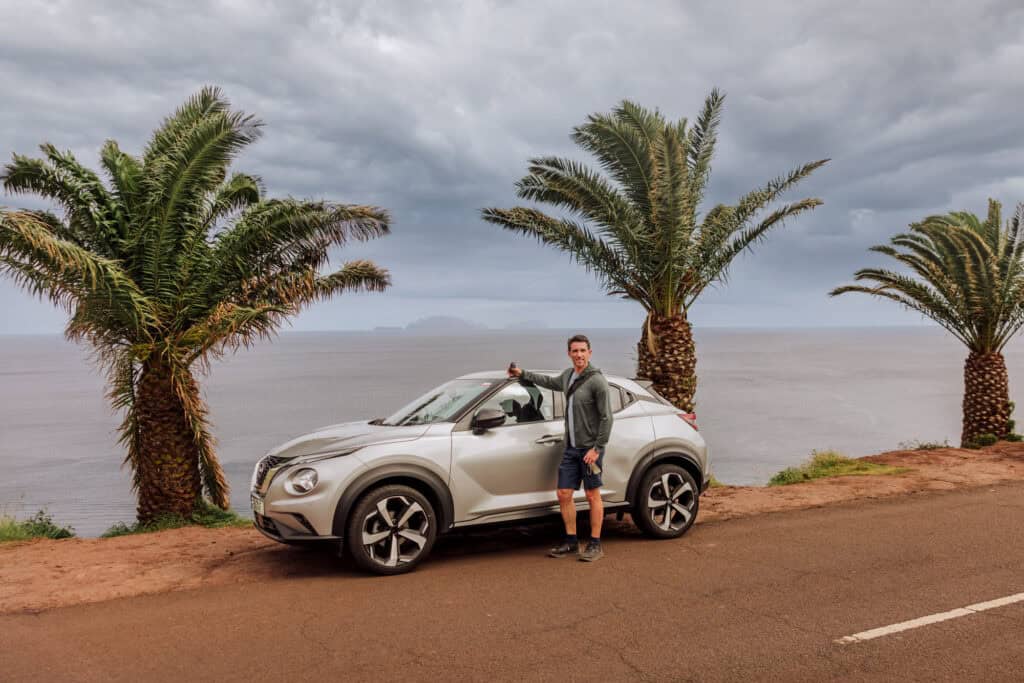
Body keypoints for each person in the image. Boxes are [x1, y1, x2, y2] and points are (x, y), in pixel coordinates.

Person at [508, 334, 613, 562]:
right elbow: (548, 382)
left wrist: (597, 448)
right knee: (564, 493)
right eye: (575, 351)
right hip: (571, 448)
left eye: (583, 350)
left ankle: (595, 544)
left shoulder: (597, 381)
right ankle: (571, 542)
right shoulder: (568, 376)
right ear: (569, 354)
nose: (579, 355)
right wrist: (523, 374)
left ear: (590, 353)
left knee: (592, 495)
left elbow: (607, 418)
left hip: (590, 451)